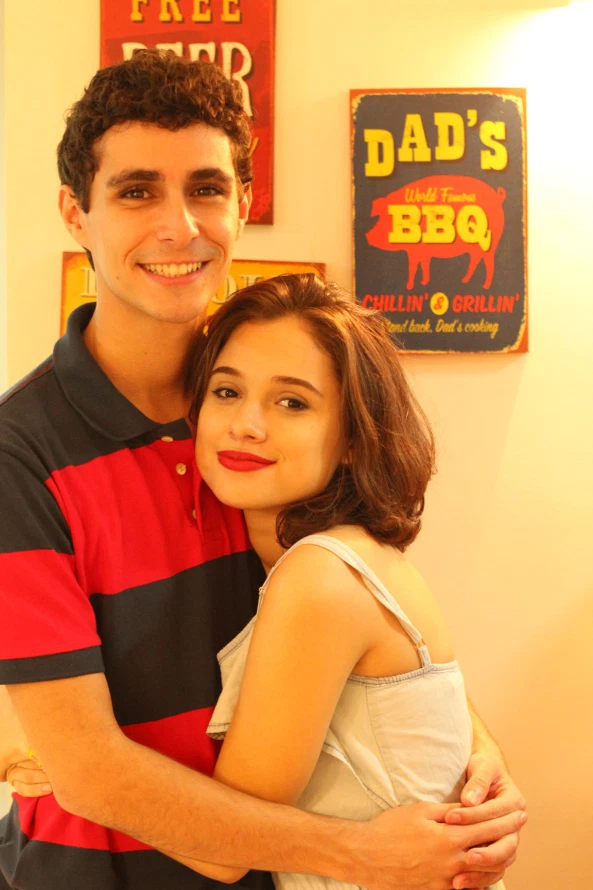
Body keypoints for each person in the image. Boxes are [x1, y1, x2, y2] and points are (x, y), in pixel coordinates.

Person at [0, 49, 525, 890]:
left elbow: (360, 609)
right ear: (75, 212)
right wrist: (357, 852)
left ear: (242, 203)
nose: (179, 226)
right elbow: (89, 770)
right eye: (136, 192)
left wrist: (469, 753)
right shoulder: (19, 454)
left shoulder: (267, 405)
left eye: (207, 188)